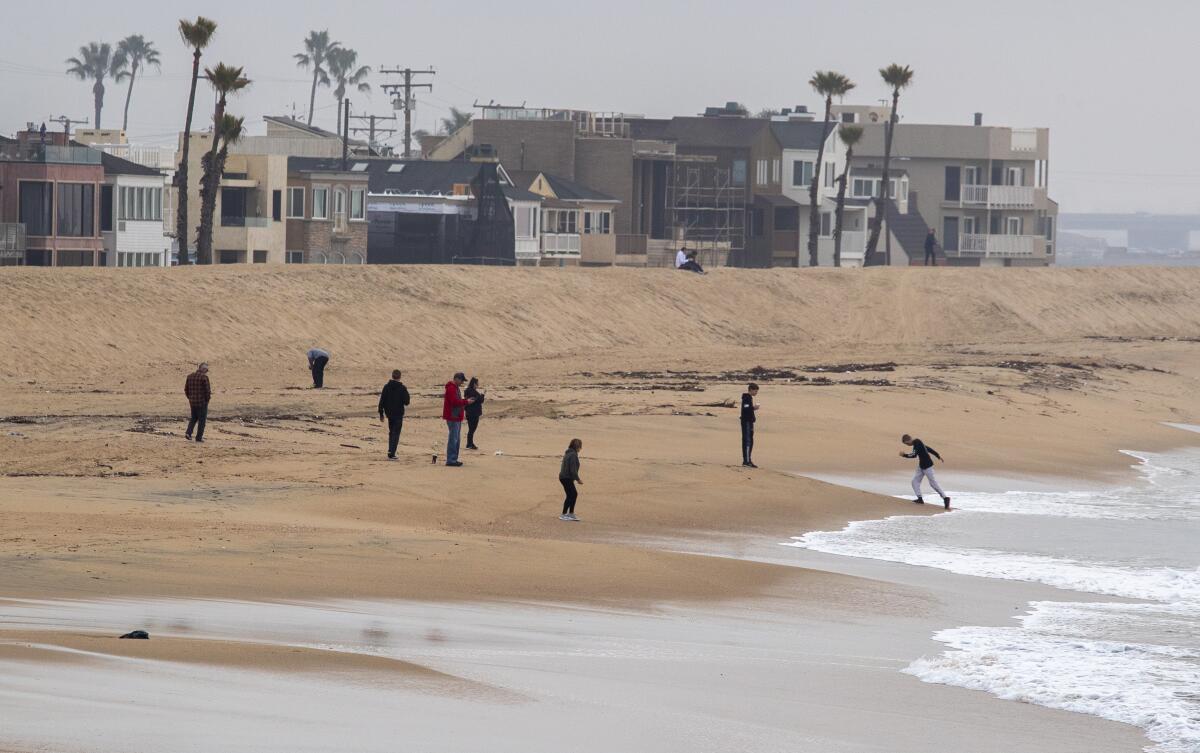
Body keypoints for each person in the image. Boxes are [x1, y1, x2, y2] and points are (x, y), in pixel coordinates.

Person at [901, 434, 951, 509]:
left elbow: (914, 455)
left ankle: (945, 498)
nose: (907, 445)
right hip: (921, 466)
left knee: (933, 483)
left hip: (928, 466)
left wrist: (904, 455)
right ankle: (920, 499)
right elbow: (928, 448)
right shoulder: (917, 444)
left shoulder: (917, 442)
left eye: (907, 443)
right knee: (915, 481)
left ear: (909, 440)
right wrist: (937, 455)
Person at [442, 372, 475, 467]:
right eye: (461, 380)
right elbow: (454, 402)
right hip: (453, 417)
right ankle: (451, 460)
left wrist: (465, 401)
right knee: (453, 439)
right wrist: (466, 402)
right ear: (456, 379)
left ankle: (453, 459)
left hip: (456, 416)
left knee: (456, 439)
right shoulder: (451, 388)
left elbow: (456, 401)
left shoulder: (454, 388)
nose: (461, 383)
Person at [378, 369, 411, 460]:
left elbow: (382, 401)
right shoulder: (402, 388)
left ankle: (390, 451)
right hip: (398, 414)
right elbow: (407, 402)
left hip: (389, 414)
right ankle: (391, 453)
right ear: (399, 377)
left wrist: (381, 413)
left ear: (392, 376)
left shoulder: (386, 387)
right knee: (395, 433)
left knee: (392, 432)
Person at [184, 362, 211, 443]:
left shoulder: (190, 376)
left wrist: (190, 398)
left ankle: (188, 433)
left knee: (193, 418)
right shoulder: (204, 378)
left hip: (192, 402)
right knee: (202, 421)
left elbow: (186, 389)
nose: (206, 371)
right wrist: (207, 400)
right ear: (203, 369)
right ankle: (199, 437)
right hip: (202, 402)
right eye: (206, 369)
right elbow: (207, 391)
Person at [559, 438, 583, 521]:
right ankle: (564, 514)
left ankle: (570, 513)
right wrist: (578, 479)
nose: (581, 449)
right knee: (571, 494)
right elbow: (572, 470)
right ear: (578, 447)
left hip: (564, 477)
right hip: (566, 477)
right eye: (580, 447)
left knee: (572, 494)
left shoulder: (569, 452)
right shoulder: (573, 455)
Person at [740, 383, 759, 468]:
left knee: (750, 441)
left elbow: (747, 408)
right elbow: (746, 408)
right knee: (747, 441)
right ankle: (746, 461)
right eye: (755, 390)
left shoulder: (748, 398)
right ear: (751, 390)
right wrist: (754, 408)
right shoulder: (746, 397)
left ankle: (748, 460)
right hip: (746, 422)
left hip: (749, 421)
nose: (756, 392)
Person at [464, 377, 485, 450]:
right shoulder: (473, 392)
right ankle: (469, 444)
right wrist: (482, 395)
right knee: (472, 429)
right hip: (473, 413)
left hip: (470, 413)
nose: (478, 385)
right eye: (477, 384)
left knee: (471, 429)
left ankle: (470, 443)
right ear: (474, 384)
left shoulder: (468, 391)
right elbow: (480, 400)